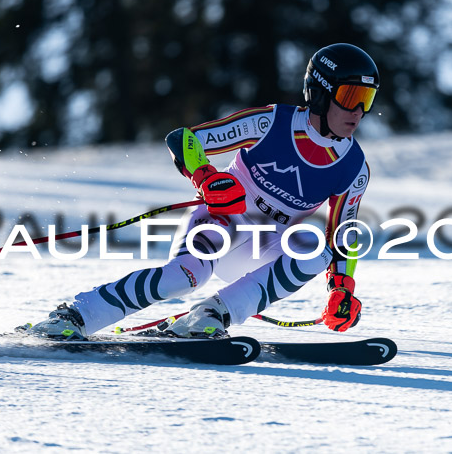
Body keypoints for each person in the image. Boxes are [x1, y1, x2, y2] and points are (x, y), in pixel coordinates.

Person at [29, 43, 380, 339]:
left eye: (367, 98)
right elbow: (184, 139)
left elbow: (341, 236)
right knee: (184, 277)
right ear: (320, 92)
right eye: (351, 96)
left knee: (315, 249)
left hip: (263, 247)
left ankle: (210, 317)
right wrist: (206, 178)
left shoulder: (354, 168)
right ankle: (73, 317)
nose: (359, 111)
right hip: (222, 221)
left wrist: (342, 289)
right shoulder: (273, 122)